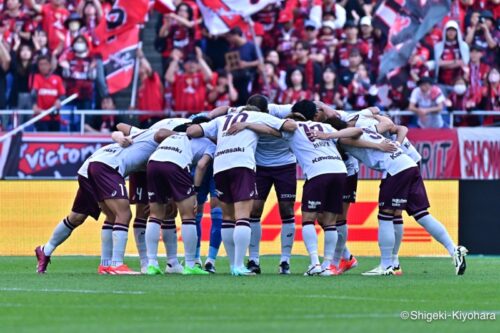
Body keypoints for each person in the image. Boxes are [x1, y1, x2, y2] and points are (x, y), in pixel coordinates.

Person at [320, 119, 468, 276]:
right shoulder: (367, 127)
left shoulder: (342, 137)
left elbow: (355, 133)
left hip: (395, 169)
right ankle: (454, 249)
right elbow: (387, 126)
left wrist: (328, 135)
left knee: (385, 216)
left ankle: (386, 265)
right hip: (409, 165)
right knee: (421, 214)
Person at [281, 100, 389, 276]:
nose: (320, 111)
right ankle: (331, 264)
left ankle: (318, 263)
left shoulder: (296, 126)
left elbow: (362, 123)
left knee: (316, 219)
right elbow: (361, 125)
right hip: (340, 172)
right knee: (329, 221)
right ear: (314, 114)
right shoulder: (328, 126)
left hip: (333, 171)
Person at [186, 106, 297, 276]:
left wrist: (216, 134)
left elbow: (192, 131)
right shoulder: (256, 116)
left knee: (228, 218)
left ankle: (233, 266)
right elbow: (290, 127)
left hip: (221, 166)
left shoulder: (221, 120)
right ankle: (239, 266)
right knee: (243, 217)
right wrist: (251, 125)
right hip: (242, 165)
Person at [83, 125, 174, 274]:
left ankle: (105, 264)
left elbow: (119, 128)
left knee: (112, 216)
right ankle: (117, 264)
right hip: (110, 167)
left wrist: (118, 136)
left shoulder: (142, 134)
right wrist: (182, 135)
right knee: (124, 215)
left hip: (95, 165)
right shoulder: (158, 137)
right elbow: (120, 128)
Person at [145, 118, 214, 276]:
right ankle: (190, 264)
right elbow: (202, 165)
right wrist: (195, 191)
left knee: (155, 215)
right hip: (176, 164)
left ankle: (152, 264)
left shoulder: (174, 135)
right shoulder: (210, 144)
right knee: (189, 215)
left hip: (153, 163)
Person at [165, 48, 213, 115]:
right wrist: (175, 60)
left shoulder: (200, 77)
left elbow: (210, 76)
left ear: (198, 65)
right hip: (181, 115)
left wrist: (200, 59)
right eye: (189, 62)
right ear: (184, 65)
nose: (192, 65)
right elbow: (168, 77)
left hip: (198, 114)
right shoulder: (179, 77)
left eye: (194, 62)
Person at [224, 27, 259, 105]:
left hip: (250, 79)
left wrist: (247, 64)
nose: (227, 39)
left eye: (229, 36)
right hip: (236, 80)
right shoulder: (232, 49)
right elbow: (228, 66)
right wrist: (228, 68)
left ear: (236, 35)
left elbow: (260, 61)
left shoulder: (251, 46)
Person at [31, 55, 66, 132]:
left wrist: (59, 100)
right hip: (40, 116)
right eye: (41, 64)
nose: (43, 67)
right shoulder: (36, 77)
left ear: (50, 65)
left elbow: (62, 95)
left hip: (54, 117)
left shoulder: (57, 79)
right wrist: (34, 105)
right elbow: (33, 93)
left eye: (45, 64)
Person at [434, 20, 470, 91]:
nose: (451, 33)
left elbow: (464, 62)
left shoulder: (463, 46)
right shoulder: (438, 46)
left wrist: (445, 64)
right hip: (441, 82)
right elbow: (438, 63)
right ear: (445, 32)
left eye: (453, 31)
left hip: (458, 82)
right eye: (449, 31)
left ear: (457, 32)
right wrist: (455, 62)